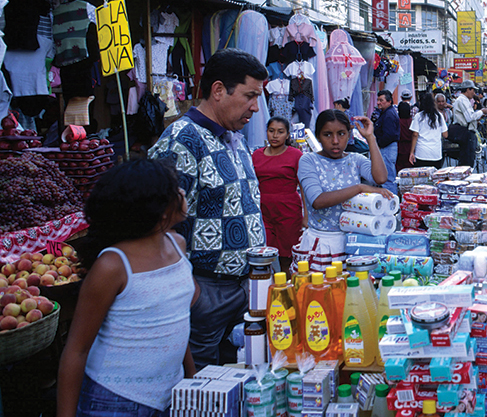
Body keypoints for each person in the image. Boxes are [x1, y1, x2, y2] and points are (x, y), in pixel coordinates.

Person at [53, 159, 196, 417]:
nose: (183, 192)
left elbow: (175, 324)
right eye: (175, 189)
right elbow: (76, 350)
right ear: (158, 209)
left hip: (169, 398)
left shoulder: (178, 245)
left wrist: (191, 381)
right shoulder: (113, 266)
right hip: (112, 406)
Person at [149, 47, 267, 367]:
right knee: (201, 391)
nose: (256, 107)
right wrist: (194, 293)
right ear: (218, 91)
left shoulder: (233, 137)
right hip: (206, 291)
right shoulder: (183, 139)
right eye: (250, 96)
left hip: (246, 288)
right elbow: (155, 225)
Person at [296, 110, 394, 268]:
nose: (335, 141)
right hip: (322, 243)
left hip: (353, 242)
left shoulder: (355, 159)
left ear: (349, 135)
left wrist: (370, 137)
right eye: (327, 134)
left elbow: (380, 177)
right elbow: (318, 200)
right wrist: (360, 188)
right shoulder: (309, 160)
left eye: (341, 134)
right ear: (318, 136)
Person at [252, 116, 305, 273]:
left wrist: (306, 216)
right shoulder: (256, 155)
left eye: (280, 132)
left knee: (287, 255)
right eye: (271, 131)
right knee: (264, 252)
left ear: (288, 135)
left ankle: (287, 289)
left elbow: (303, 186)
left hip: (288, 210)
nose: (275, 136)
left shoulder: (295, 155)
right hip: (263, 210)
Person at [410, 92, 449, 168]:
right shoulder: (439, 116)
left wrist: (411, 152)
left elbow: (415, 134)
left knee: (422, 177)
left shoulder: (419, 116)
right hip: (436, 153)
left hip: (421, 153)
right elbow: (445, 135)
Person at [449, 80, 483, 167]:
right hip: (466, 133)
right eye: (473, 90)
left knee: (467, 160)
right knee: (466, 162)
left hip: (466, 132)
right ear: (468, 89)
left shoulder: (464, 100)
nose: (474, 93)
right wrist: (482, 112)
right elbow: (469, 118)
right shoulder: (462, 100)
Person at [373, 90, 400, 192]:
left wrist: (379, 145)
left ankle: (391, 201)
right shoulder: (386, 113)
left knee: (387, 177)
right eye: (378, 100)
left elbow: (389, 135)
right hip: (386, 147)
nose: (378, 102)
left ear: (389, 101)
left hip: (387, 148)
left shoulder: (389, 114)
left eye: (381, 100)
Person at [396, 101, 413, 172]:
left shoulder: (397, 121)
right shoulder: (412, 121)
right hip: (410, 146)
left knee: (399, 168)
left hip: (399, 147)